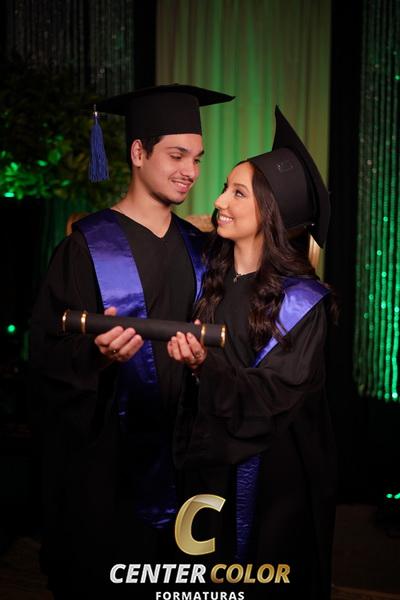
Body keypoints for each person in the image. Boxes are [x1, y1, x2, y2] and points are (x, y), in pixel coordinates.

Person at [29, 84, 234, 597]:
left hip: (185, 461)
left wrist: (201, 364)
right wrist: (96, 357)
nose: (190, 170)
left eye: (197, 158)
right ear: (138, 153)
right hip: (107, 465)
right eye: (177, 155)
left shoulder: (203, 249)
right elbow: (46, 353)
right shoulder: (87, 247)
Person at [168, 107, 337, 599]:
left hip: (270, 481)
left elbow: (276, 395)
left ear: (271, 212)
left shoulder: (303, 302)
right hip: (205, 464)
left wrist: (207, 365)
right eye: (225, 187)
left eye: (237, 193)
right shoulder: (208, 277)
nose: (219, 200)